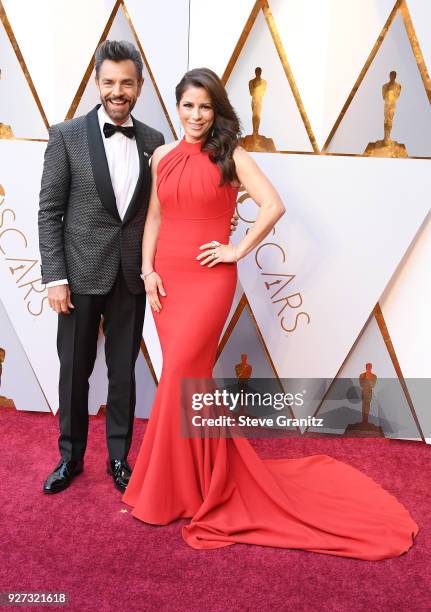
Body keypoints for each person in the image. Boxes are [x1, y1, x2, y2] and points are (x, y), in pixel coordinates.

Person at [122, 68, 418, 560]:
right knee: (188, 381)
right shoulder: (161, 156)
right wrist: (147, 269)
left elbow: (273, 205)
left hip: (208, 280)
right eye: (188, 106)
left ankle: (172, 488)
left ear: (216, 111)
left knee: (180, 374)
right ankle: (196, 479)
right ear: (177, 108)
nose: (196, 115)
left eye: (205, 107)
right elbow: (154, 216)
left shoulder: (230, 155)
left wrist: (237, 250)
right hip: (166, 283)